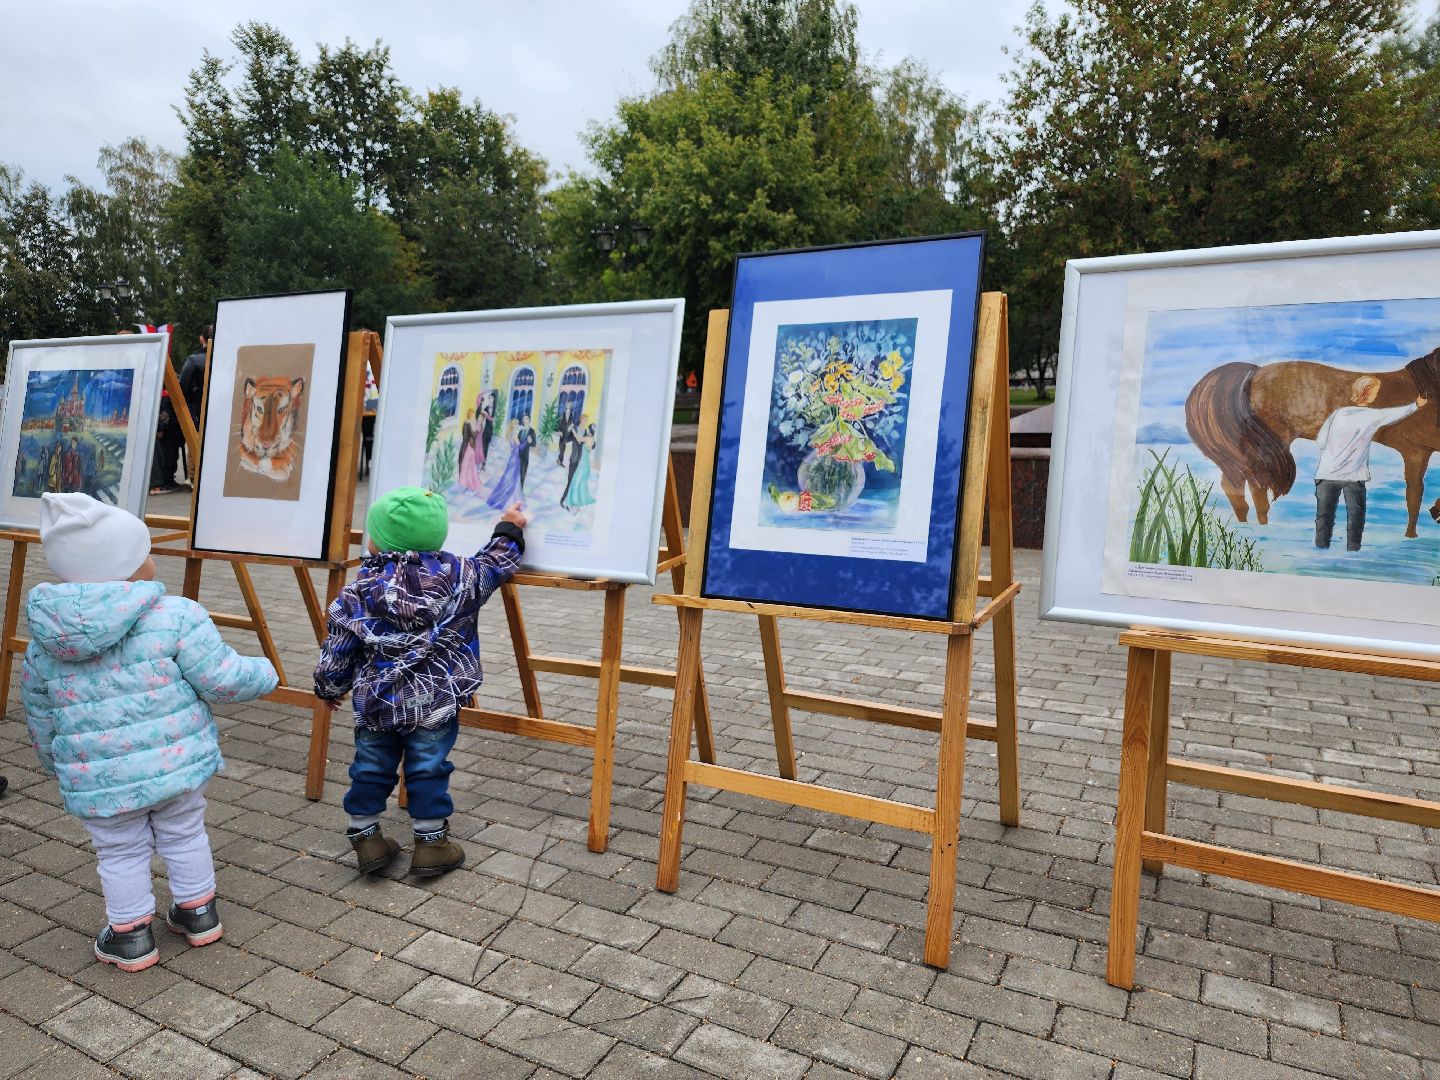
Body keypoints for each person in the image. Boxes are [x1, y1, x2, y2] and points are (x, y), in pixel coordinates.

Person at [21, 493, 278, 972]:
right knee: (184, 833)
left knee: (118, 850)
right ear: (129, 564)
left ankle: (132, 936)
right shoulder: (176, 616)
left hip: (100, 781)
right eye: (143, 552)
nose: (152, 559)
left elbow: (38, 714)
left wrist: (55, 764)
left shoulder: (45, 643)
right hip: (176, 767)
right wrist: (266, 672)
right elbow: (222, 679)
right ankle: (198, 912)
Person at [313, 487, 526, 877]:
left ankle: (366, 838)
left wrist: (329, 688)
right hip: (435, 703)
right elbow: (498, 561)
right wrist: (509, 528)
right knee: (428, 768)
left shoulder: (356, 592)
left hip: (377, 705)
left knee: (371, 767)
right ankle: (431, 845)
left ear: (378, 542)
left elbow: (338, 649)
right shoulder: (462, 576)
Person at [1314, 375, 1426, 552]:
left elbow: (1321, 441)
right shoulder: (1372, 416)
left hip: (1326, 473)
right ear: (1367, 393)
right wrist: (1417, 404)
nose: (1376, 395)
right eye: (1375, 392)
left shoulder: (1338, 414)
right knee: (1356, 517)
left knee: (1323, 517)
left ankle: (1320, 551)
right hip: (1354, 476)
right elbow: (1396, 414)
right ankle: (1353, 553)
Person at [178, 325, 212, 430]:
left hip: (198, 415)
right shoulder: (228, 361)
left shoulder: (194, 361)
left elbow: (182, 391)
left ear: (202, 338)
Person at [485, 420, 524, 510]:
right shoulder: (514, 435)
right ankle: (506, 499)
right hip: (515, 457)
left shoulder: (511, 434)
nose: (518, 426)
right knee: (511, 478)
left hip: (513, 456)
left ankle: (508, 498)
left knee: (509, 477)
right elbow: (520, 446)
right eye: (517, 424)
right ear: (514, 425)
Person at [562, 415, 597, 511]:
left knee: (575, 482)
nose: (585, 422)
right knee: (577, 482)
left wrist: (573, 429)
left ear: (589, 431)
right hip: (583, 463)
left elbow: (578, 438)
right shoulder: (593, 439)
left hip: (581, 463)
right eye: (584, 420)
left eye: (587, 421)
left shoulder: (587, 437)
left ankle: (571, 503)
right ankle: (571, 502)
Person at [458, 409, 483, 491]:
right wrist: (477, 430)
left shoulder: (465, 423)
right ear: (471, 415)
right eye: (473, 415)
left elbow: (464, 434)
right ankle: (465, 483)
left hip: (466, 445)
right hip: (468, 446)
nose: (474, 417)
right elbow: (473, 435)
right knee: (468, 464)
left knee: (468, 464)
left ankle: (466, 482)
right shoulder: (468, 424)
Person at [515, 412, 538, 492]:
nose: (525, 421)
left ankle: (520, 490)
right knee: (516, 473)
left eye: (526, 419)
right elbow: (517, 441)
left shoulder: (532, 431)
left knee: (523, 473)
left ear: (529, 420)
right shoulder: (521, 430)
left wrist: (531, 441)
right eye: (524, 419)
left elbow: (534, 444)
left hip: (525, 456)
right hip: (517, 454)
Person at [478, 392, 496, 466]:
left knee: (486, 447)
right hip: (485, 429)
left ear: (494, 399)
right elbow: (481, 417)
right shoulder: (486, 408)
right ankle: (481, 460)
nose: (490, 400)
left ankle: (483, 462)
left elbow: (494, 420)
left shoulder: (495, 409)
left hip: (490, 430)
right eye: (490, 398)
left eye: (492, 398)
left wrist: (488, 416)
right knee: (482, 446)